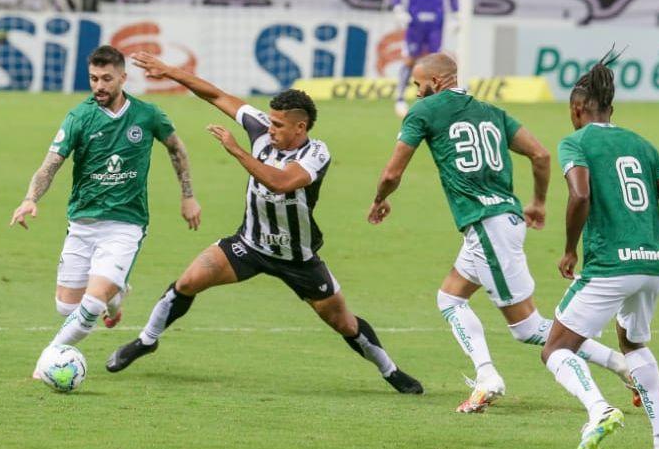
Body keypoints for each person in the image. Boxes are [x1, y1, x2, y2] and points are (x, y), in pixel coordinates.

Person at [105, 52, 424, 395]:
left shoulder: (316, 153)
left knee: (343, 323)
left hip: (297, 258)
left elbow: (281, 182)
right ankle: (146, 340)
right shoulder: (260, 127)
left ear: (301, 127)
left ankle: (390, 370)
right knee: (187, 282)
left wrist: (236, 150)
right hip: (249, 245)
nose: (270, 129)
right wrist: (169, 71)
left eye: (279, 125)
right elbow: (215, 95)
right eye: (270, 122)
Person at [368, 53, 629, 411]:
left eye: (418, 84)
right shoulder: (492, 112)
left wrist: (380, 199)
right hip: (501, 220)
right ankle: (486, 375)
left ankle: (619, 364)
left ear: (437, 81)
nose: (415, 91)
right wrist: (538, 202)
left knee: (528, 328)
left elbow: (391, 173)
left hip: (487, 226)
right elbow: (540, 155)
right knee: (450, 298)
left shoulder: (424, 112)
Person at [541, 54, 659, 449]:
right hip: (652, 265)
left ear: (576, 110)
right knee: (632, 342)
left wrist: (570, 248)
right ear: (611, 110)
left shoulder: (576, 142)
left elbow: (580, 195)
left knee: (556, 349)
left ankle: (599, 409)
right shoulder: (643, 145)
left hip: (611, 265)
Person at [10, 46, 200, 367]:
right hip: (82, 222)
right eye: (93, 78)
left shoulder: (147, 115)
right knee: (66, 308)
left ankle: (49, 358)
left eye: (106, 79)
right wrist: (30, 198)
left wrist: (188, 195)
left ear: (123, 78)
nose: (99, 86)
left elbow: (176, 149)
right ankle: (116, 294)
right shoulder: (79, 117)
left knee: (91, 306)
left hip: (126, 224)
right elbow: (50, 165)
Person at [390, 0, 457, 118]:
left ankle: (432, 101)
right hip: (415, 20)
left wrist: (456, 15)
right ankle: (400, 98)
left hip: (436, 21)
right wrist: (398, 8)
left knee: (435, 60)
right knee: (411, 58)